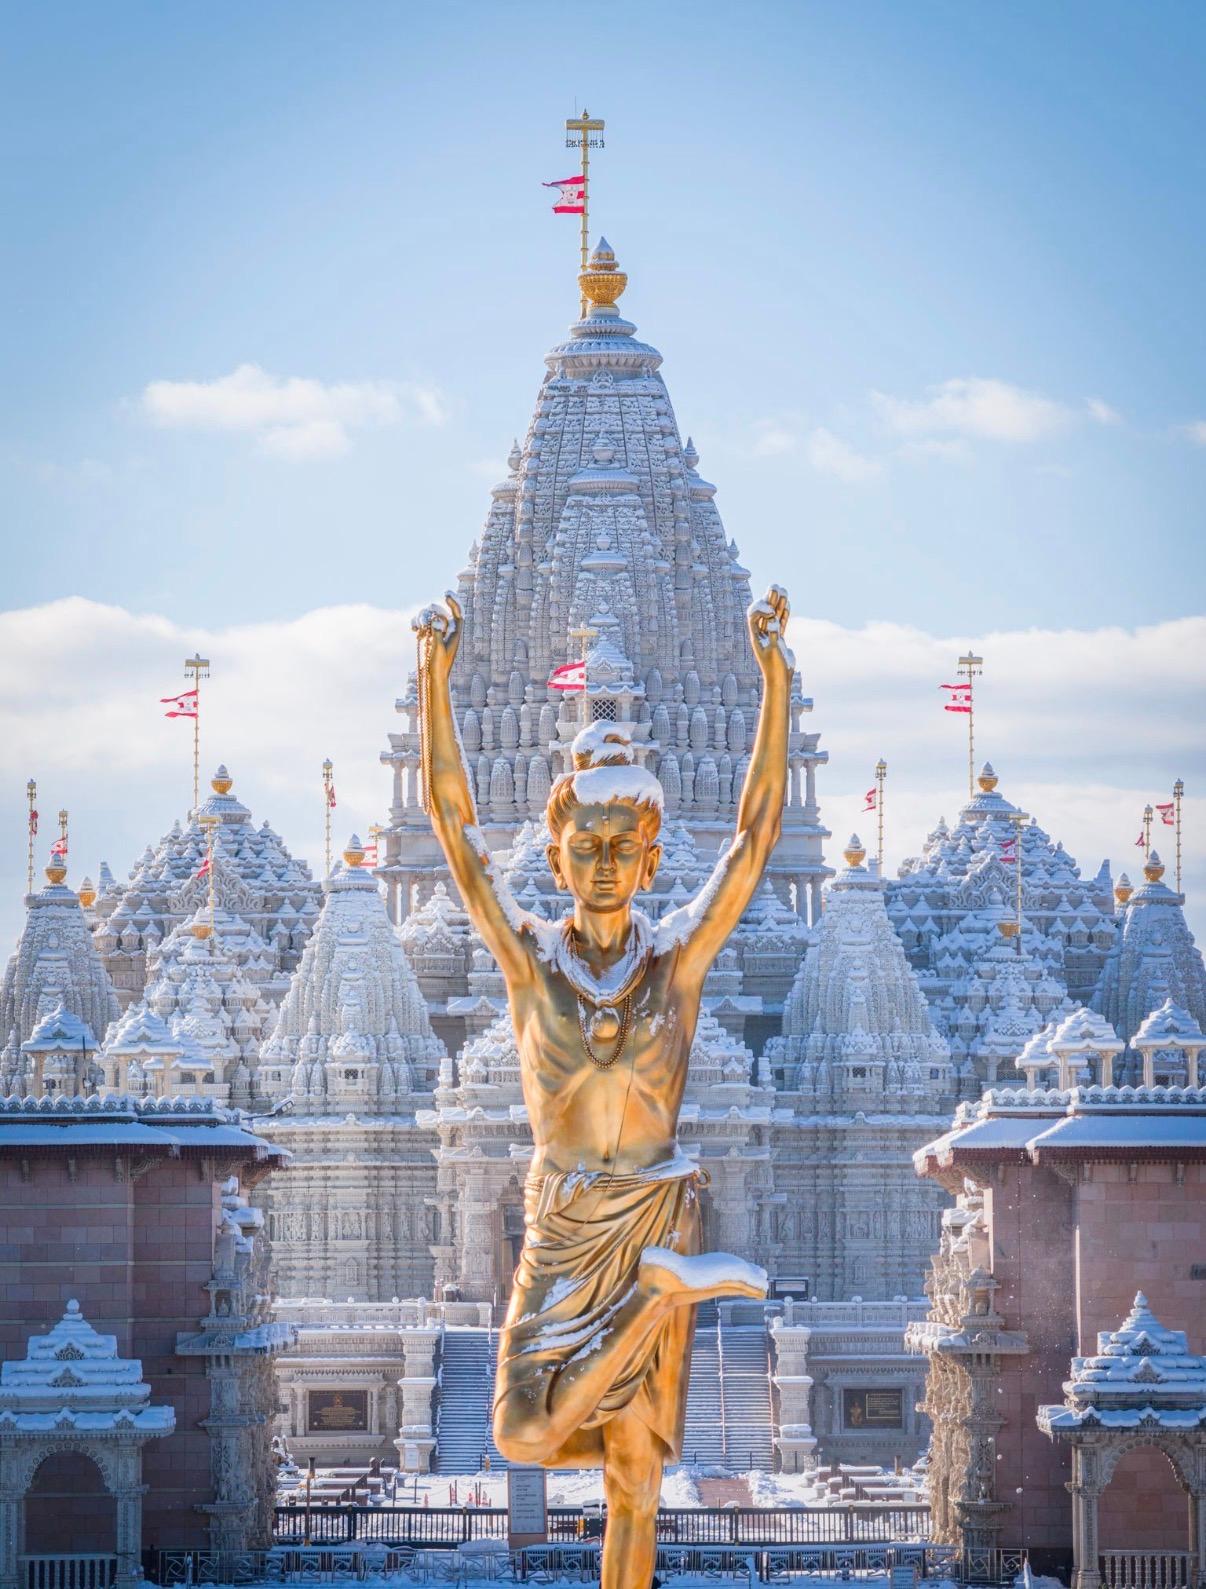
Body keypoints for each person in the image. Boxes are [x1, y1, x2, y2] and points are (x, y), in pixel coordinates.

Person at [413, 586, 793, 1589]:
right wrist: (435, 682)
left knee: (636, 1472)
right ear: (557, 852)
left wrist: (774, 681)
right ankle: (665, 1294)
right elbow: (453, 829)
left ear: (654, 854)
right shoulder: (528, 962)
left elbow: (753, 841)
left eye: (626, 846)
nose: (607, 863)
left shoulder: (678, 962)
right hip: (567, 1220)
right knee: (524, 1429)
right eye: (587, 845)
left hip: (653, 1204)